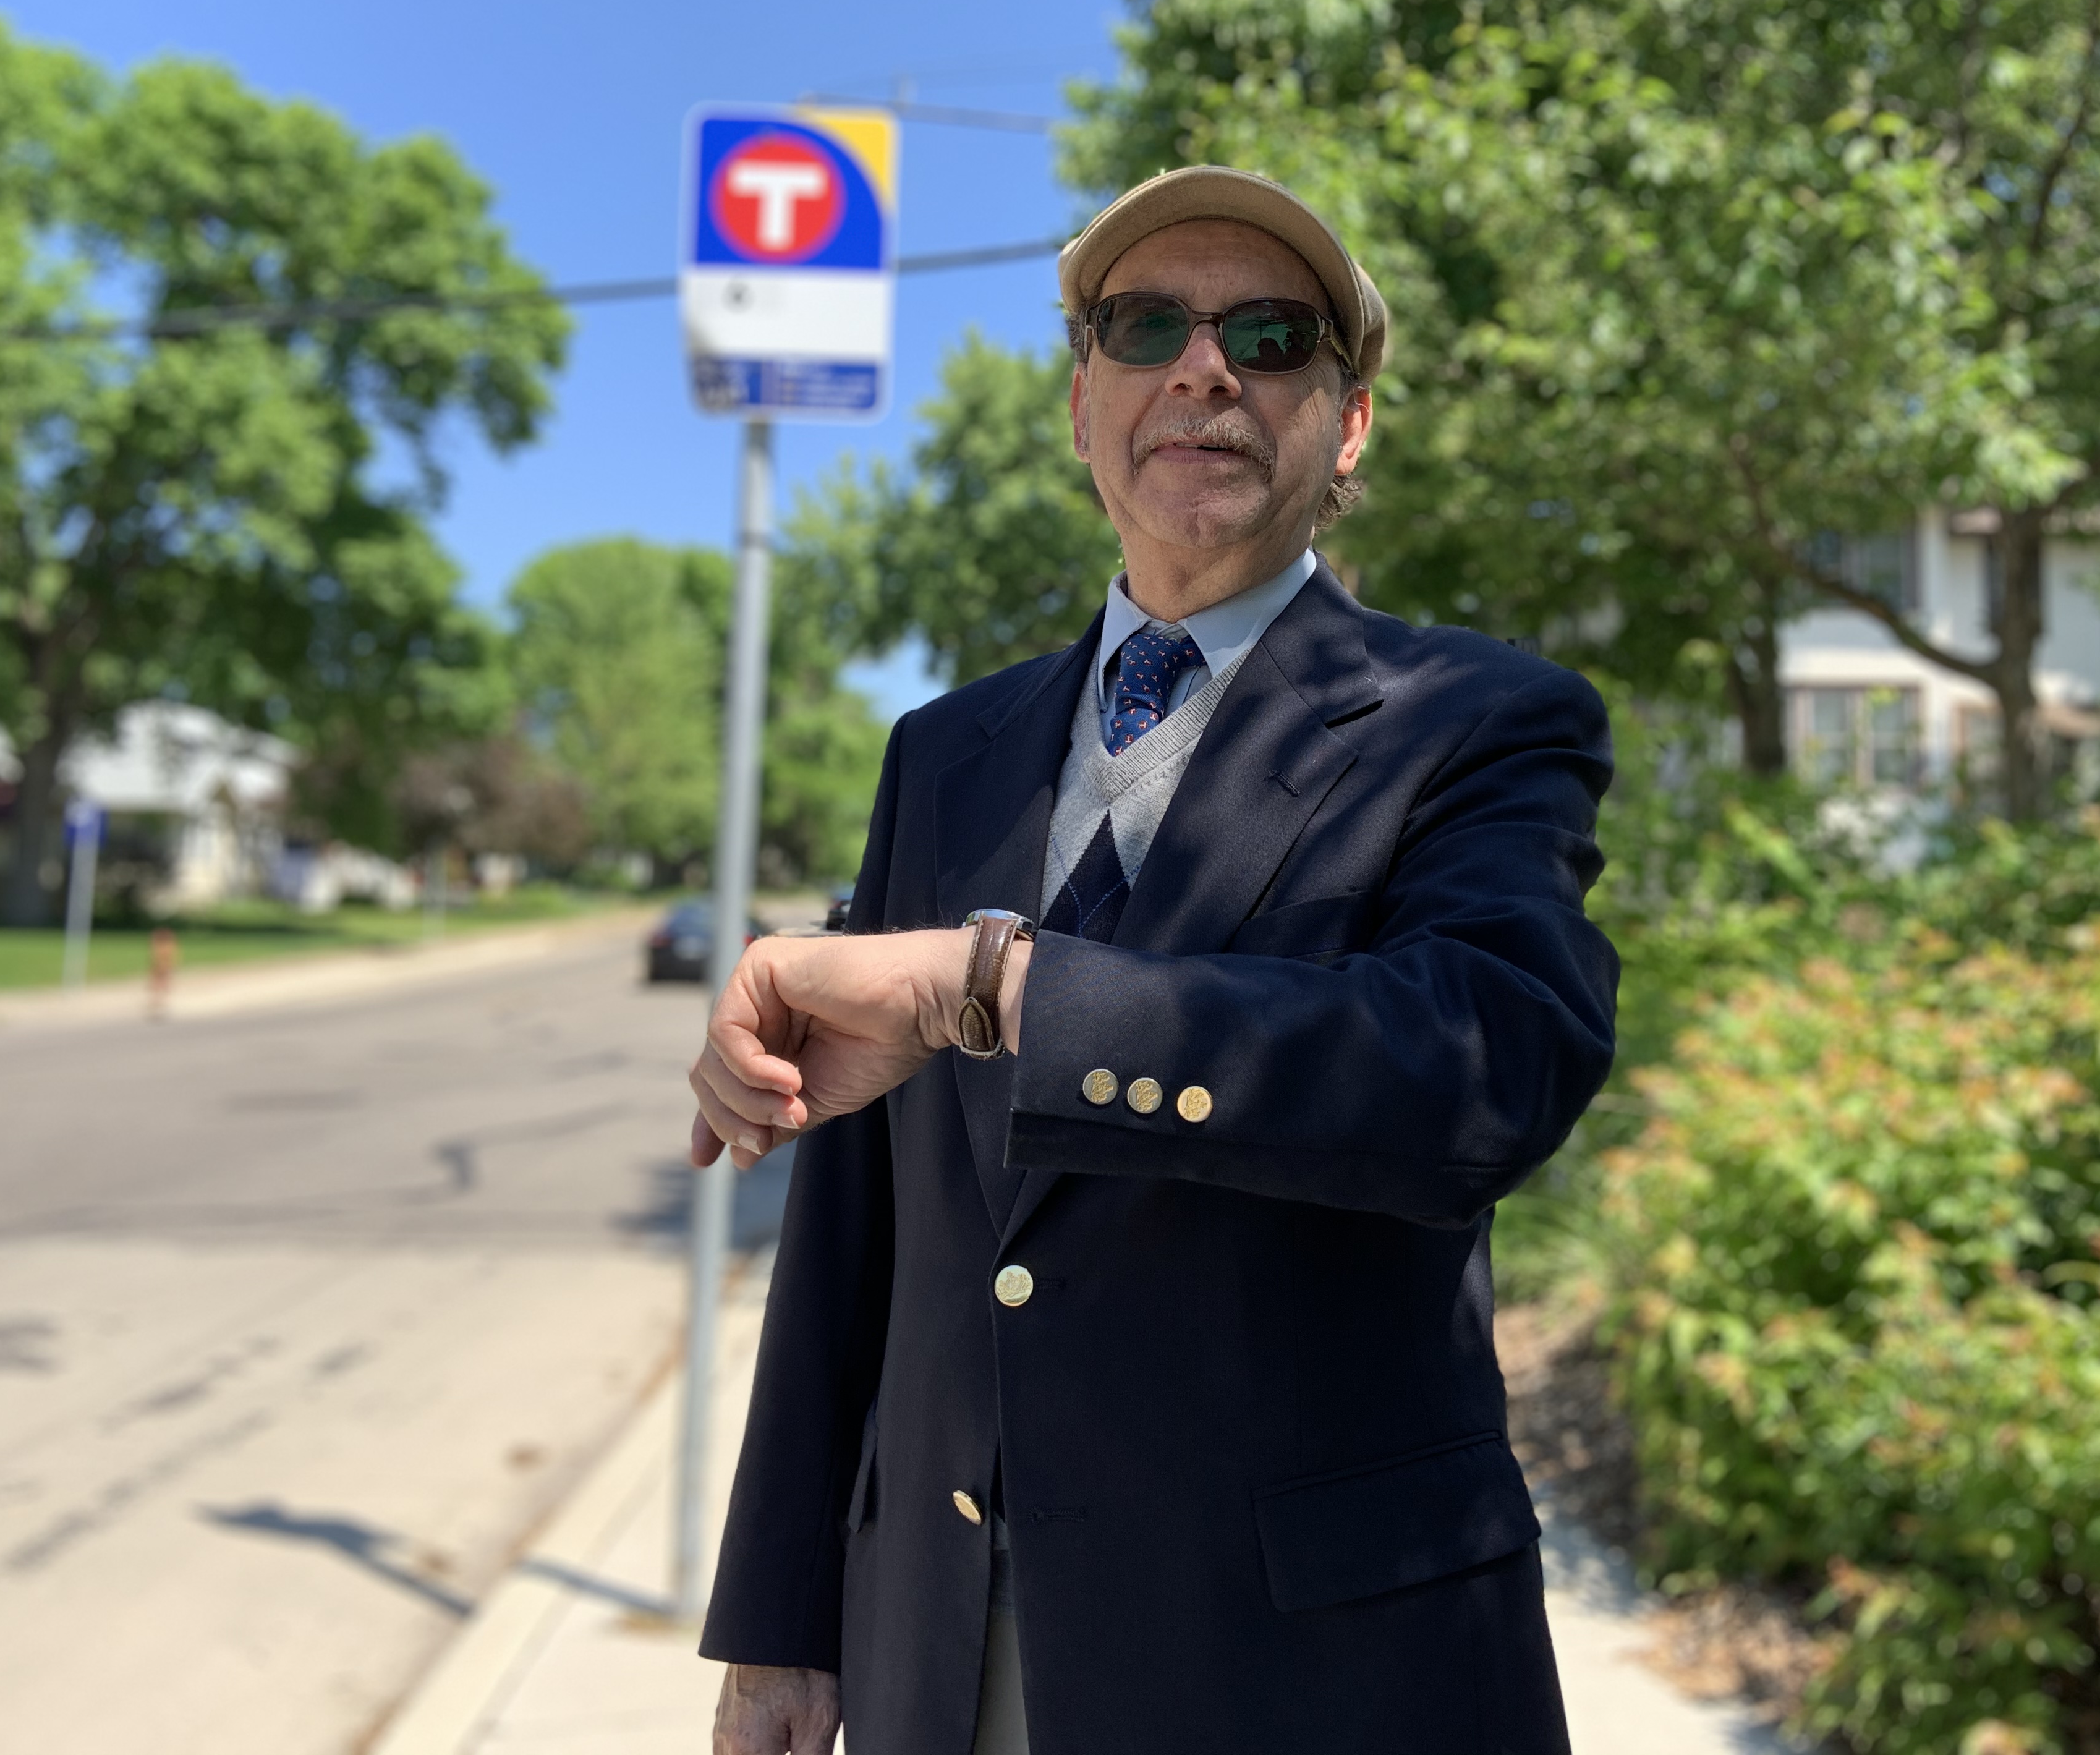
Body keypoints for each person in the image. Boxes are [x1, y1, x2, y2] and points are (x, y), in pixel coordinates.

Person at [689, 165, 1620, 1755]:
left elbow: (1485, 1063)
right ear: (1080, 404)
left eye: (1269, 334)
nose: (1205, 368)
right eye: (1144, 325)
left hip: (1316, 1676)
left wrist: (983, 989)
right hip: (946, 1642)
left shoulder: (1479, 720)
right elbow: (856, 1229)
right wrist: (782, 1624)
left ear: (1349, 425)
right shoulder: (944, 752)